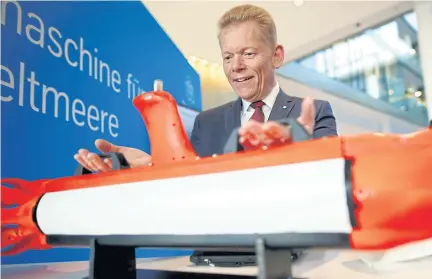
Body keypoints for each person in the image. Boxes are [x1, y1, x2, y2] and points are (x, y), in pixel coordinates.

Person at [74, 4, 338, 172]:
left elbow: (331, 178)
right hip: (216, 252)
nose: (236, 66)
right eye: (227, 57)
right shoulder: (206, 122)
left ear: (276, 56)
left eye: (247, 53)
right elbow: (187, 182)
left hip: (293, 255)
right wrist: (150, 166)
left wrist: (299, 143)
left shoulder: (315, 112)